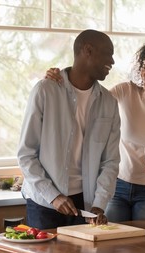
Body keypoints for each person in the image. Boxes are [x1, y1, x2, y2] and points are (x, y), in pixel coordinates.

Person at [46, 40, 145, 222]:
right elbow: (90, 98)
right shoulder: (126, 92)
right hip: (117, 186)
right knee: (112, 244)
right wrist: (61, 79)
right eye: (144, 68)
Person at [18, 29, 121, 229]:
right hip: (44, 203)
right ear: (88, 50)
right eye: (108, 53)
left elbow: (110, 161)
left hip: (86, 205)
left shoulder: (109, 103)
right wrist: (54, 196)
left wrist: (99, 204)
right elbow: (26, 154)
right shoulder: (45, 91)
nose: (113, 61)